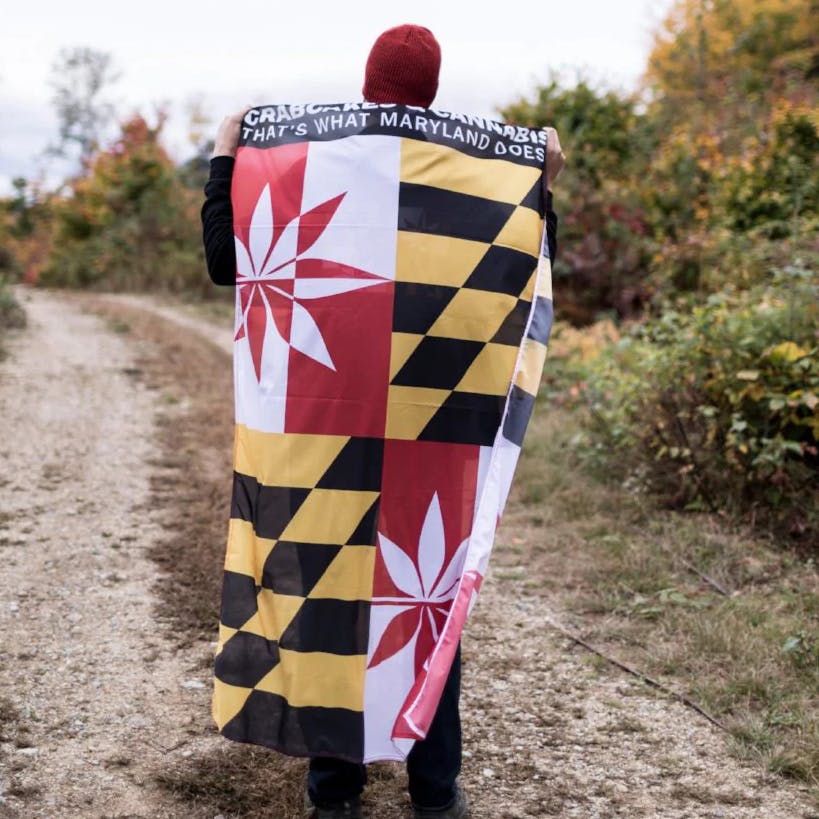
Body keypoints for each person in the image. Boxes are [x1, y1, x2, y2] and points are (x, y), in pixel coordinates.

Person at [201, 24, 564, 819]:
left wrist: (226, 159)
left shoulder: (311, 170)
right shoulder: (471, 186)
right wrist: (541, 187)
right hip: (433, 440)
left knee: (326, 594)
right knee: (424, 600)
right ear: (431, 92)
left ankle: (334, 794)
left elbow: (230, 262)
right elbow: (520, 283)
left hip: (319, 435)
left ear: (368, 84)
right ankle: (435, 794)